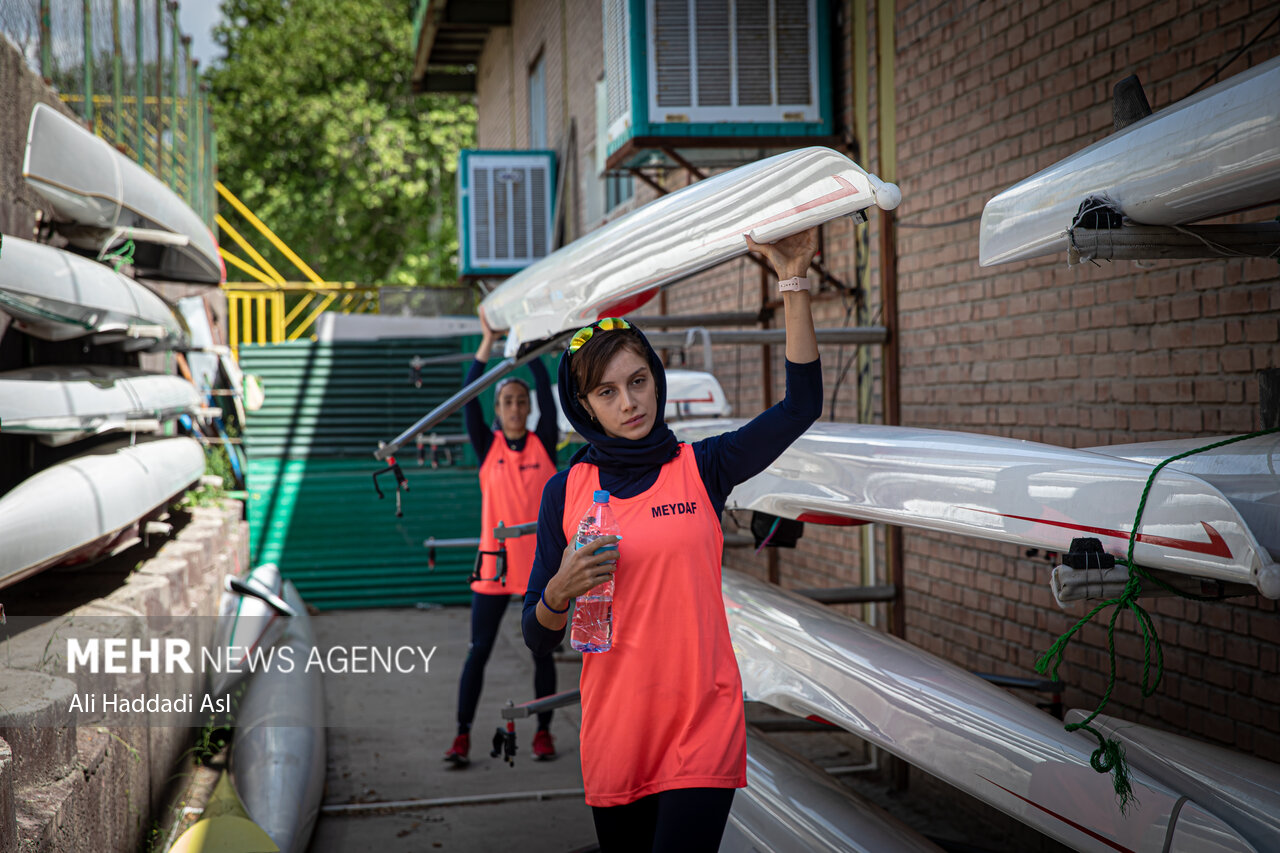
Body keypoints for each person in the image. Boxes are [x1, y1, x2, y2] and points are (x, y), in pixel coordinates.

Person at [521, 229, 823, 851]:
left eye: (638, 381)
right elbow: (537, 634)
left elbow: (800, 407)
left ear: (656, 379)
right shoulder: (565, 492)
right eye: (607, 392)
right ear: (585, 407)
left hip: (700, 722)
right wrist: (559, 590)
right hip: (616, 728)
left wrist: (791, 281)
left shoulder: (702, 466)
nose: (630, 402)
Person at [446, 311, 559, 766]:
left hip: (537, 568)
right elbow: (467, 398)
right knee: (478, 653)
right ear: (497, 410)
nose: (514, 408)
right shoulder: (486, 446)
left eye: (520, 401)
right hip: (494, 566)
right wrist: (489, 341)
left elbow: (549, 399)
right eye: (506, 401)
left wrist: (529, 350)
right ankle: (461, 736)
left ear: (528, 408)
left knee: (543, 652)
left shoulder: (544, 442)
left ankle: (545, 733)